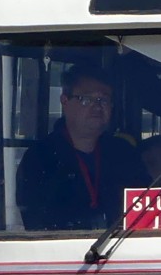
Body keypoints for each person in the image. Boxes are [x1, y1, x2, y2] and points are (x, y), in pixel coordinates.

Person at [14, 65, 143, 231]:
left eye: (103, 100)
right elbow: (35, 220)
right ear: (65, 101)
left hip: (120, 248)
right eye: (86, 99)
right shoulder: (40, 157)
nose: (97, 107)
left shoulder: (123, 153)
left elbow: (144, 205)